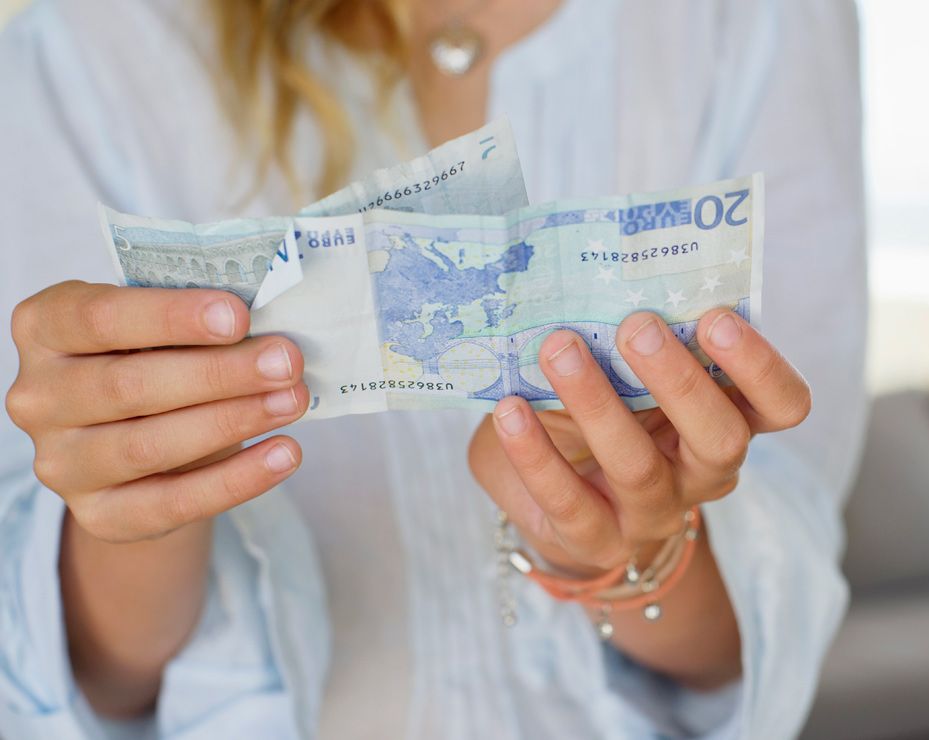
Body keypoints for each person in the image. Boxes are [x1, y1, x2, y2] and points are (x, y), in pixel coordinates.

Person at [0, 0, 867, 737]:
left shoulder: (749, 20)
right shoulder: (83, 51)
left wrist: (627, 546)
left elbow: (750, 655)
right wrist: (144, 488)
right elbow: (88, 692)